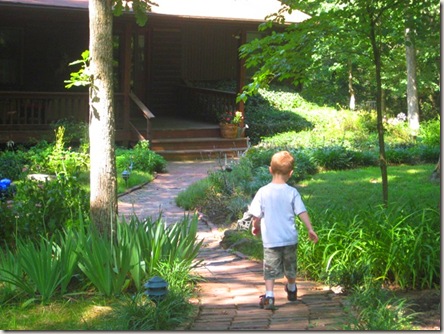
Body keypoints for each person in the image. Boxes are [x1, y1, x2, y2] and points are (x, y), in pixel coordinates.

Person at [249, 150, 318, 310]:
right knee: (290, 266)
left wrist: (255, 226)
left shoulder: (263, 192)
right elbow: (302, 212)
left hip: (271, 240)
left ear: (270, 170)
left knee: (270, 269)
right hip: (289, 239)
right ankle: (292, 289)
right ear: (291, 173)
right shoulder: (292, 192)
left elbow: (257, 215)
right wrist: (310, 229)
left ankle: (270, 296)